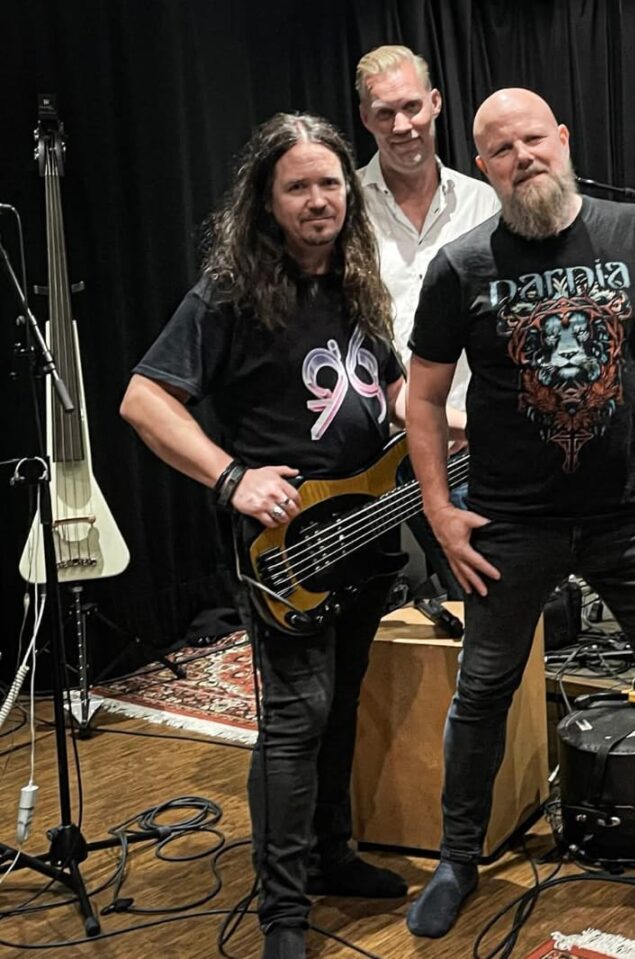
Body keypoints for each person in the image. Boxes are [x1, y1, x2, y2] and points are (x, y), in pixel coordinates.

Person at [400, 87, 635, 943]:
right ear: (484, 165)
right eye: (501, 150)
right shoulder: (461, 266)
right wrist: (439, 510)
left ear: (563, 138)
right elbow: (422, 399)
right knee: (482, 692)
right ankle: (457, 860)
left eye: (533, 139)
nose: (523, 158)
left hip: (629, 516)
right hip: (508, 523)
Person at [120, 114, 407, 959]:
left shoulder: (356, 281)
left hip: (367, 534)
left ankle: (330, 855)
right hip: (286, 550)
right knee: (297, 715)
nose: (319, 200)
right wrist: (230, 476)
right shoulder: (230, 293)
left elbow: (386, 391)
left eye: (330, 184)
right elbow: (144, 399)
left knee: (342, 701)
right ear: (267, 200)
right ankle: (283, 908)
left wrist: (446, 422)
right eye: (298, 186)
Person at [355, 44, 501, 599]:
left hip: (467, 446)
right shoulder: (344, 209)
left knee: (487, 599)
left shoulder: (485, 206)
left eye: (412, 107)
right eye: (385, 113)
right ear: (366, 118)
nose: (402, 126)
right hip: (370, 450)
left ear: (436, 103)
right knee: (365, 611)